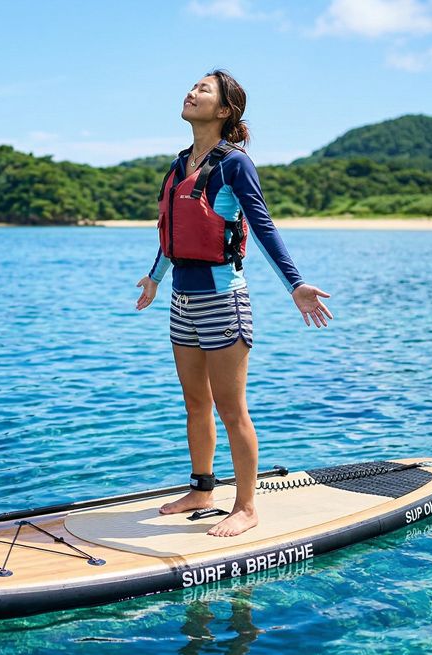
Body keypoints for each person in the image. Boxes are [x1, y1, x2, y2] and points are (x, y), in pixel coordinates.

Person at [135, 69, 333, 537]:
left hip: (224, 302)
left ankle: (246, 506)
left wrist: (295, 285)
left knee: (230, 407)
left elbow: (262, 228)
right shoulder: (180, 163)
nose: (191, 92)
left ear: (224, 110)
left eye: (203, 89)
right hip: (183, 300)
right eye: (192, 86)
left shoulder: (235, 164)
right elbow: (175, 232)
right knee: (194, 404)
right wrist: (155, 278)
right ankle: (202, 488)